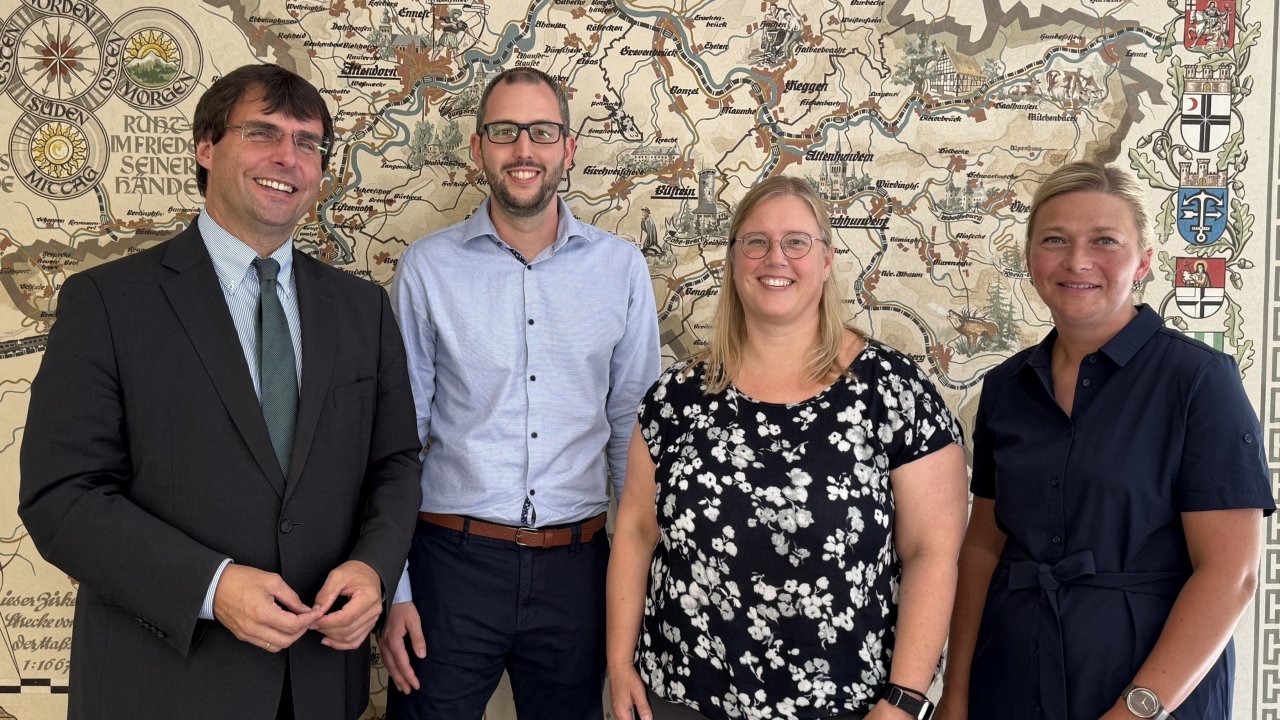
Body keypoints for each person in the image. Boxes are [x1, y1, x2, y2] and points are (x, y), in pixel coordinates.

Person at [18, 64, 423, 720]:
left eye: (307, 142)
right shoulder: (108, 303)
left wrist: (374, 568)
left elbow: (395, 463)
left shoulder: (361, 309)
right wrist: (211, 586)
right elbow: (61, 497)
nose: (287, 158)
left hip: (319, 681)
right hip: (164, 686)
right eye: (262, 133)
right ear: (206, 148)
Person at [607, 176, 968, 720]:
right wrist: (618, 663)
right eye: (756, 242)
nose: (775, 258)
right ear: (734, 260)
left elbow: (931, 554)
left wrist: (904, 700)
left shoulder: (894, 392)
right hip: (681, 695)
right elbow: (635, 531)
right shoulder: (675, 398)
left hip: (845, 704)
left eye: (796, 242)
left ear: (826, 260)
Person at [936, 161, 1275, 720]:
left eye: (1104, 241)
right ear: (1028, 259)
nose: (1077, 261)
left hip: (1153, 694)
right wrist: (956, 694)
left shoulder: (1199, 381)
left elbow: (1230, 574)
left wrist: (1138, 710)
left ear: (1143, 261)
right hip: (1012, 681)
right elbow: (983, 547)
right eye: (1055, 240)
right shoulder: (1005, 388)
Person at [379, 67, 661, 719]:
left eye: (542, 131)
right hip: (449, 567)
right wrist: (395, 590)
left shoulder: (619, 269)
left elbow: (632, 435)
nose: (524, 150)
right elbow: (398, 440)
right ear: (478, 148)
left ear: (568, 148)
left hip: (580, 571)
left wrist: (634, 587)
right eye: (505, 132)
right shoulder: (427, 268)